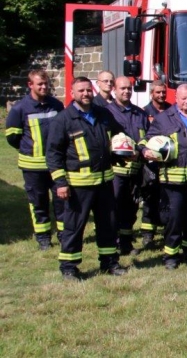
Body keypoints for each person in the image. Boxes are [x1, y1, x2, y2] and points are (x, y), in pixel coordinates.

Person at [46, 76, 126, 280]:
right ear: (72, 94)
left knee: (108, 224)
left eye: (88, 90)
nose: (86, 94)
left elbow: (119, 136)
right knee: (74, 227)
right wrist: (60, 183)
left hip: (104, 183)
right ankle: (69, 267)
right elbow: (53, 154)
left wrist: (125, 150)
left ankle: (109, 263)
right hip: (77, 186)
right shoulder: (63, 120)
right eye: (81, 91)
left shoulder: (103, 114)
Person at [140, 84, 187, 270]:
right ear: (176, 98)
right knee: (174, 219)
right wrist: (144, 150)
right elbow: (145, 140)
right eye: (184, 98)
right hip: (172, 180)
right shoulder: (163, 119)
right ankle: (171, 256)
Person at [5, 69, 65, 250]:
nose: (44, 87)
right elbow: (12, 137)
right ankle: (43, 237)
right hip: (32, 166)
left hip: (55, 165)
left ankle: (64, 234)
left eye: (46, 83)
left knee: (61, 200)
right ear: (30, 85)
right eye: (40, 84)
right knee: (38, 202)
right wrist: (29, 149)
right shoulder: (19, 109)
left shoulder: (56, 105)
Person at [106, 76, 149, 255]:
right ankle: (112, 243)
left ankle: (126, 244)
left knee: (131, 209)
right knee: (113, 207)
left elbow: (149, 135)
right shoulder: (106, 113)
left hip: (136, 169)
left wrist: (140, 149)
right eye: (122, 88)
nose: (126, 91)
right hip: (116, 171)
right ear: (114, 90)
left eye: (129, 88)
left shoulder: (140, 114)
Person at [140, 79, 171, 248]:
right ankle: (147, 234)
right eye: (158, 92)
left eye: (163, 92)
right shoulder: (144, 112)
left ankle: (167, 230)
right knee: (150, 198)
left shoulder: (171, 110)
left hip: (167, 162)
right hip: (151, 162)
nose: (161, 95)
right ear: (151, 93)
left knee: (166, 198)